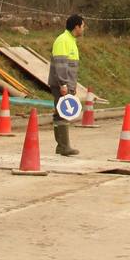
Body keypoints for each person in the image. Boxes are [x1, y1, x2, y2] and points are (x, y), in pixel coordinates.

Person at [49, 14, 86, 156]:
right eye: (82, 26)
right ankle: (64, 146)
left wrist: (72, 85)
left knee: (61, 113)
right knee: (62, 114)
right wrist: (63, 84)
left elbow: (71, 67)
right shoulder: (63, 40)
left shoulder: (71, 41)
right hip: (61, 85)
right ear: (76, 27)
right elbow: (60, 65)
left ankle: (62, 146)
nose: (83, 29)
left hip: (67, 85)